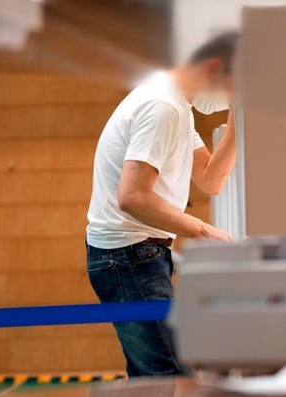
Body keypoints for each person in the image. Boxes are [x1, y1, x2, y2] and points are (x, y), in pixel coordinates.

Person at [85, 33, 238, 377]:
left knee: (151, 386)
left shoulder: (177, 108)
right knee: (172, 381)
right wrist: (202, 230)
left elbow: (211, 179)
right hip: (128, 256)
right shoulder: (163, 106)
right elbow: (132, 196)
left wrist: (240, 119)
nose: (229, 97)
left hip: (137, 256)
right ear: (212, 67)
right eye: (231, 87)